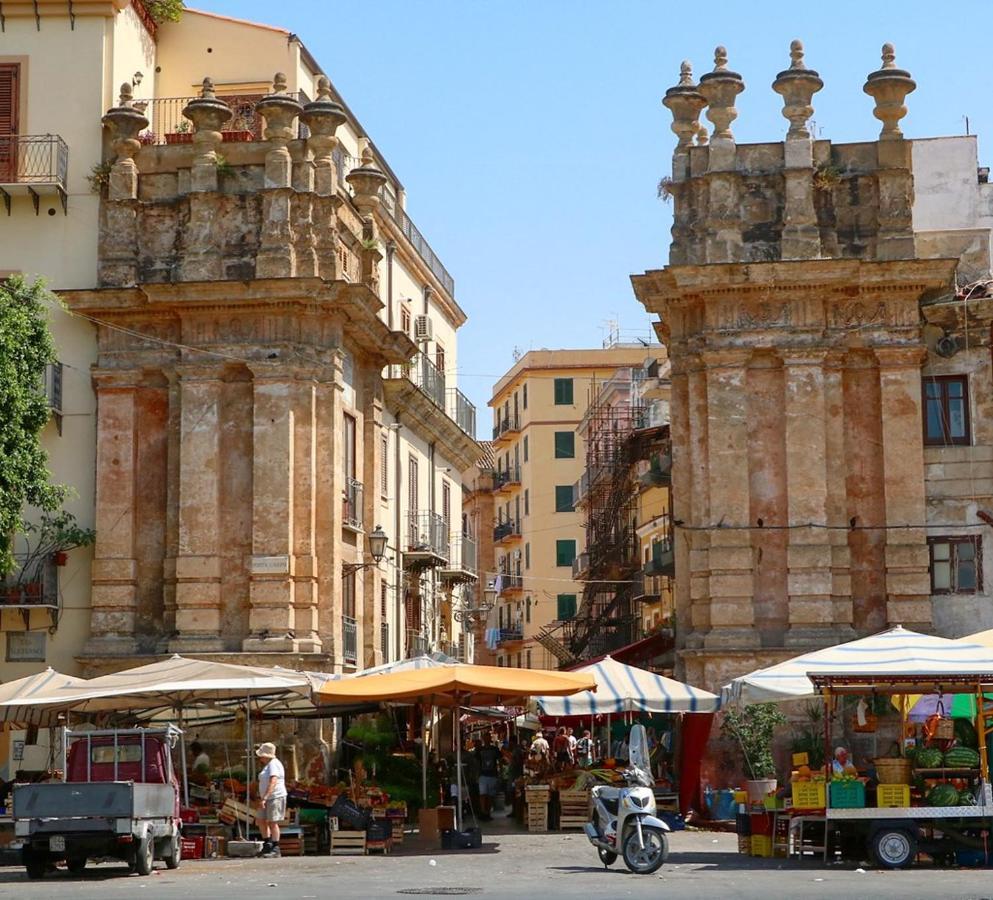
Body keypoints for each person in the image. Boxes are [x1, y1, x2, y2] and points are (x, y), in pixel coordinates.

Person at [255, 742, 287, 858]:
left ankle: (275, 847)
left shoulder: (274, 764)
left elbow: (273, 781)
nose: (260, 757)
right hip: (266, 797)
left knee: (273, 822)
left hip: (274, 797)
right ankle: (267, 843)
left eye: (261, 755)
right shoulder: (268, 765)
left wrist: (265, 797)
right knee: (260, 820)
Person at [476, 732, 502, 820]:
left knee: (490, 795)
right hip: (482, 775)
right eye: (485, 738)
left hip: (492, 775)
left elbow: (500, 760)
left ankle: (488, 812)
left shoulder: (495, 749)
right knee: (483, 794)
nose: (486, 739)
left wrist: (500, 772)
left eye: (488, 737)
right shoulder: (480, 750)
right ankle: (483, 811)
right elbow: (477, 762)